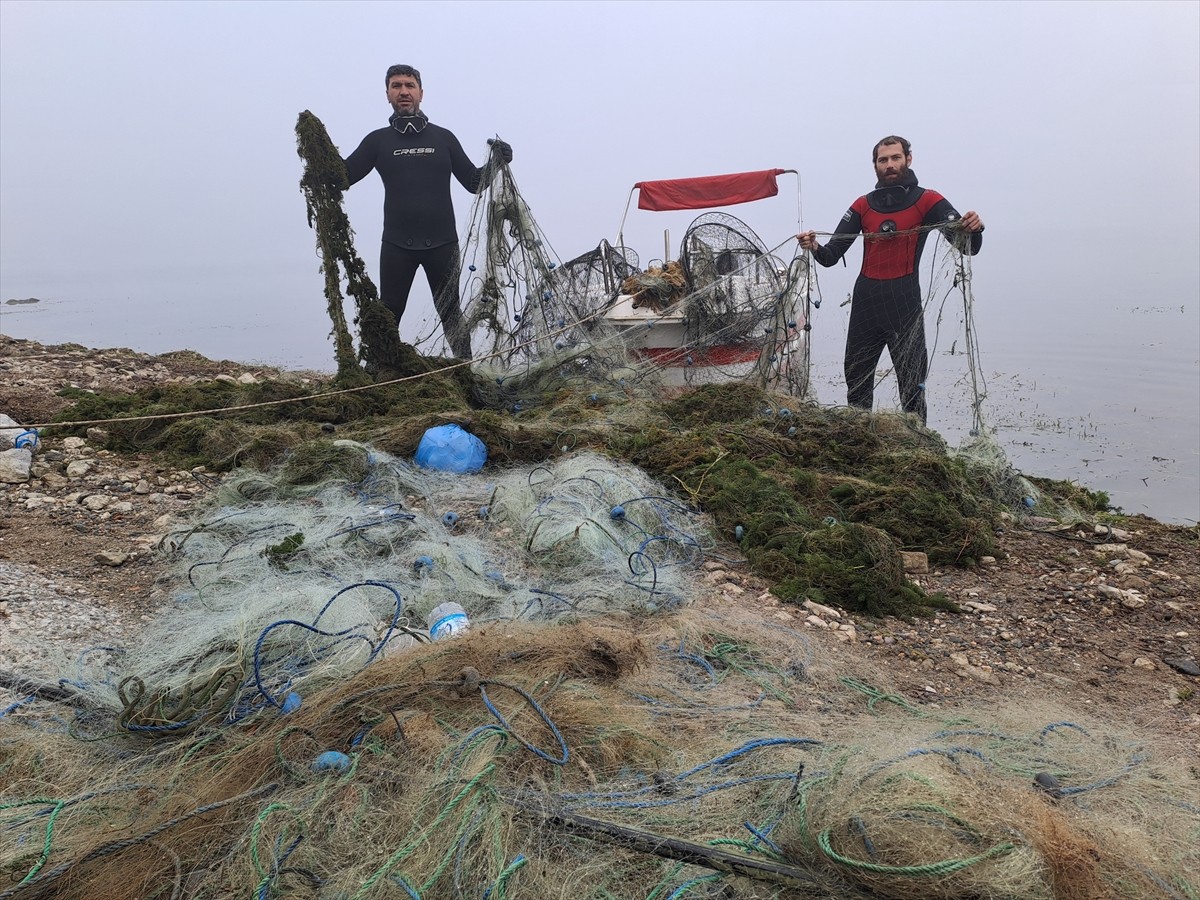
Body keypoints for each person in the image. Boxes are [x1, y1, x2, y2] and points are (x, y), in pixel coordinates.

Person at [798, 136, 983, 424]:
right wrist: (814, 247)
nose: (890, 165)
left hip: (904, 305)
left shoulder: (928, 200)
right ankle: (859, 445)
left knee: (912, 388)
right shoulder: (863, 205)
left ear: (909, 159)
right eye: (883, 160)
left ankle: (919, 448)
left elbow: (967, 246)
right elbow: (831, 255)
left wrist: (974, 229)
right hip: (865, 307)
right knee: (856, 383)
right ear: (875, 165)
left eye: (895, 158)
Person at [342, 64, 512, 358]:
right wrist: (317, 150)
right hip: (396, 245)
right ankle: (381, 372)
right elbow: (343, 176)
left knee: (450, 313)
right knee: (390, 313)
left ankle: (464, 371)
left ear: (421, 93)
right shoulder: (377, 142)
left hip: (443, 244)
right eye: (396, 86)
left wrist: (498, 162)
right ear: (387, 95)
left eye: (409, 85)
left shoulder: (443, 139)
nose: (404, 91)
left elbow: (473, 182)